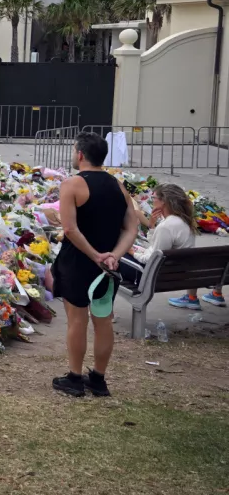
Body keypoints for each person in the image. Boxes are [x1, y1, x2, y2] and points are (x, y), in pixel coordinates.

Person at [52, 131, 138, 398]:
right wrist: (114, 255)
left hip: (79, 262)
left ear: (80, 154)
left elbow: (70, 228)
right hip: (108, 267)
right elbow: (132, 227)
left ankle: (75, 378)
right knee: (103, 321)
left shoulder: (72, 185)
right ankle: (99, 379)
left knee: (77, 321)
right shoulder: (118, 185)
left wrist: (95, 255)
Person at [134, 183, 225, 309]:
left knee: (121, 258)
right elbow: (156, 247)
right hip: (181, 271)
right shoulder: (185, 221)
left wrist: (131, 252)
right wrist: (152, 226)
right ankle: (194, 297)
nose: (152, 200)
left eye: (154, 197)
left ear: (164, 202)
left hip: (162, 276)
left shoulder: (166, 226)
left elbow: (152, 259)